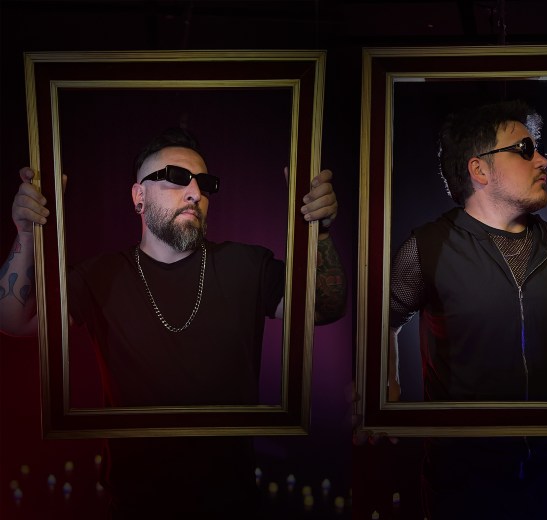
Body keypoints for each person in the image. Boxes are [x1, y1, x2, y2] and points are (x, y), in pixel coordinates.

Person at [0, 127, 346, 518]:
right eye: (176, 178)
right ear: (139, 196)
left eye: (204, 183)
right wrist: (26, 233)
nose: (195, 192)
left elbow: (325, 307)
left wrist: (320, 231)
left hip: (231, 504)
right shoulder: (100, 276)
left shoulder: (247, 265)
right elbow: (15, 318)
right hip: (134, 506)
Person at [387, 100, 547, 519]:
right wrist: (384, 385)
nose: (543, 159)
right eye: (525, 149)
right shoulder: (426, 246)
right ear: (479, 170)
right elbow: (381, 321)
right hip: (465, 486)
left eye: (539, 148)